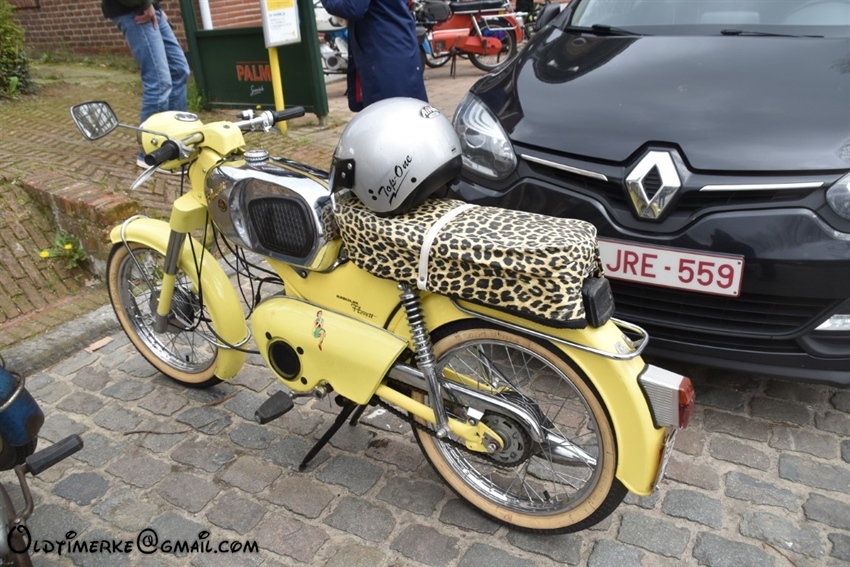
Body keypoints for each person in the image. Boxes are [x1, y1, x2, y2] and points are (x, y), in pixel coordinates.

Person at [101, 0, 191, 168]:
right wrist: (145, 4)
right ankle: (149, 154)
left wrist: (156, 6)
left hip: (149, 8)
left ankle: (174, 140)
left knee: (179, 70)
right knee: (158, 82)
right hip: (134, 9)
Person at [320, 0, 427, 112]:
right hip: (397, 44)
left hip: (384, 52)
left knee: (389, 114)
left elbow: (353, 8)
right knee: (409, 111)